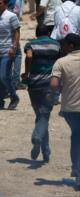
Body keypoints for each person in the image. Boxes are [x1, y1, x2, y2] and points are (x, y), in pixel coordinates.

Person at [22, 25, 60, 163]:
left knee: (40, 116)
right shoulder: (56, 45)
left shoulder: (31, 44)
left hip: (34, 85)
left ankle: (45, 150)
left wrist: (26, 73)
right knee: (44, 116)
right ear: (49, 33)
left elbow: (29, 57)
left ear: (36, 33)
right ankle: (38, 138)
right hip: (50, 85)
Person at [51, 33, 80, 191]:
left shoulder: (61, 62)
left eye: (63, 44)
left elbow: (54, 84)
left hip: (71, 108)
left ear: (70, 46)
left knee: (76, 136)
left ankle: (77, 171)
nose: (61, 47)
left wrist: (63, 88)